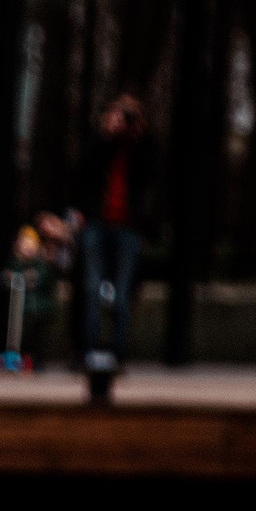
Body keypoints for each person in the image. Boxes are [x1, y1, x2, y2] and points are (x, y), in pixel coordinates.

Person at [72, 95, 156, 363]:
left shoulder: (141, 146)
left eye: (129, 116)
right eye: (120, 115)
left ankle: (118, 354)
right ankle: (88, 351)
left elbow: (150, 173)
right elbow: (84, 170)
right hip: (97, 223)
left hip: (128, 227)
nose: (123, 121)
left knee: (123, 293)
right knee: (91, 288)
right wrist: (107, 136)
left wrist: (137, 135)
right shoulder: (98, 141)